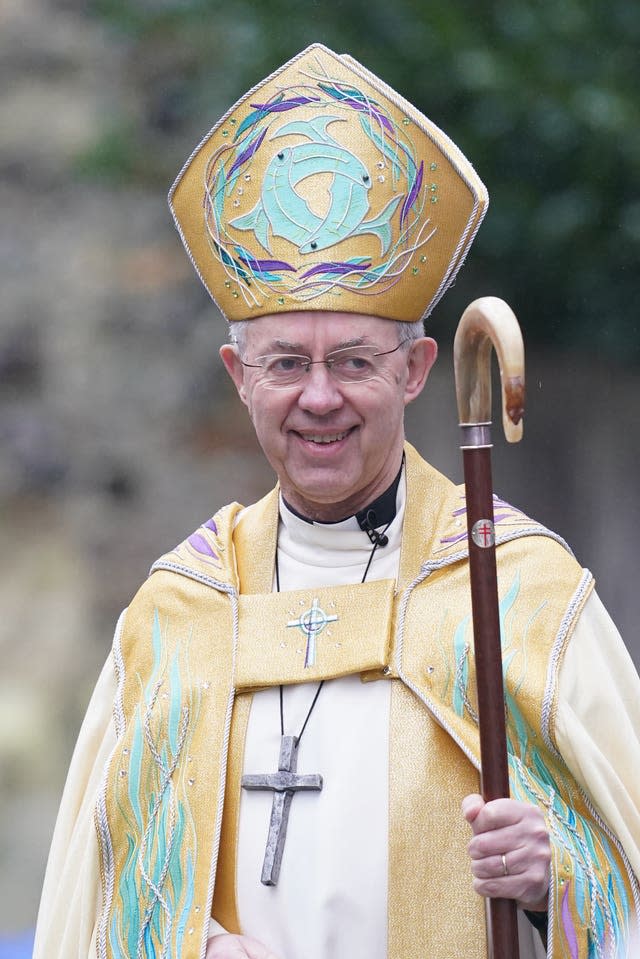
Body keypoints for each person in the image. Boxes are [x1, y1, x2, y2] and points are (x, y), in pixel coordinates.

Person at [34, 43, 640, 959]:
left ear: (416, 369)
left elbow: (623, 880)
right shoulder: (177, 616)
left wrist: (555, 878)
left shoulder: (523, 596)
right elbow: (99, 900)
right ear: (240, 377)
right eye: (286, 364)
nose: (320, 397)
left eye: (354, 360)